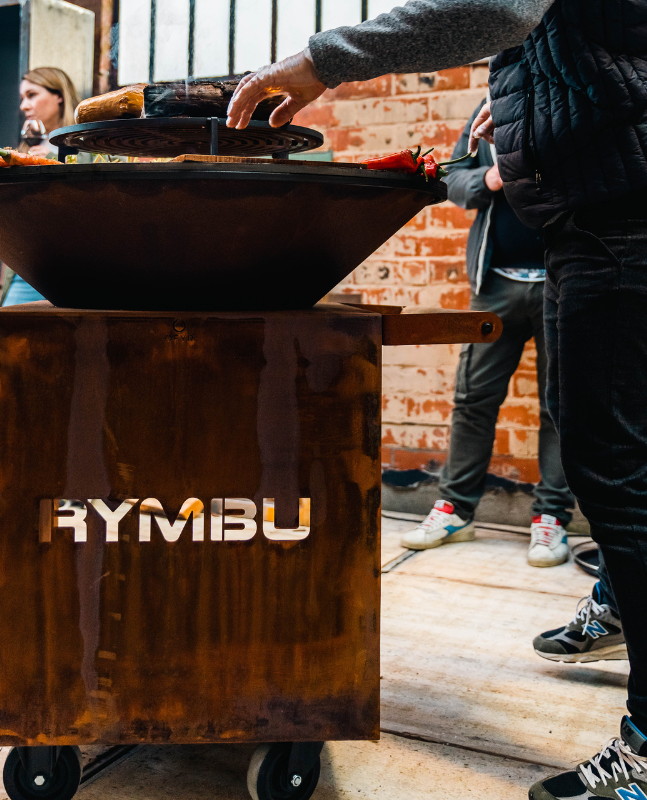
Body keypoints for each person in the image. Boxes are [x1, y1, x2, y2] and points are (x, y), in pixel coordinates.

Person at [227, 3, 647, 798]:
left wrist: (321, 60)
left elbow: (498, 8)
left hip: (618, 216)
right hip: (594, 215)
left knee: (617, 473)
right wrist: (528, 101)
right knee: (608, 459)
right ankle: (621, 598)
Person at [400, 101, 575, 568]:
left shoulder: (570, 99)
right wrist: (490, 178)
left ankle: (551, 517)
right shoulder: (489, 105)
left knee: (560, 406)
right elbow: (453, 180)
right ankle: (455, 511)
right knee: (473, 399)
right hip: (495, 284)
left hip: (563, 283)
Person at [2, 67, 81, 307]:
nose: (24, 106)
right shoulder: (25, 150)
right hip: (28, 268)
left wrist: (54, 160)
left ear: (59, 96)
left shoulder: (86, 143)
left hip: (79, 266)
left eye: (32, 95)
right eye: (22, 98)